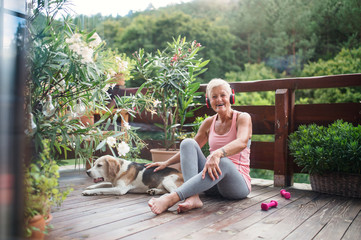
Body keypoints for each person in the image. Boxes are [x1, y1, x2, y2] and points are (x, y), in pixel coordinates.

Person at [146, 78, 252, 215]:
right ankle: (193, 197)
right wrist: (166, 162)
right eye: (214, 96)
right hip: (212, 184)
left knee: (223, 162)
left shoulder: (243, 118)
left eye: (223, 95)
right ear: (208, 101)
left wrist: (218, 153)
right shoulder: (208, 123)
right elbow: (190, 150)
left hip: (236, 186)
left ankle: (172, 198)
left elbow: (242, 142)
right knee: (188, 143)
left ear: (231, 96)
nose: (219, 99)